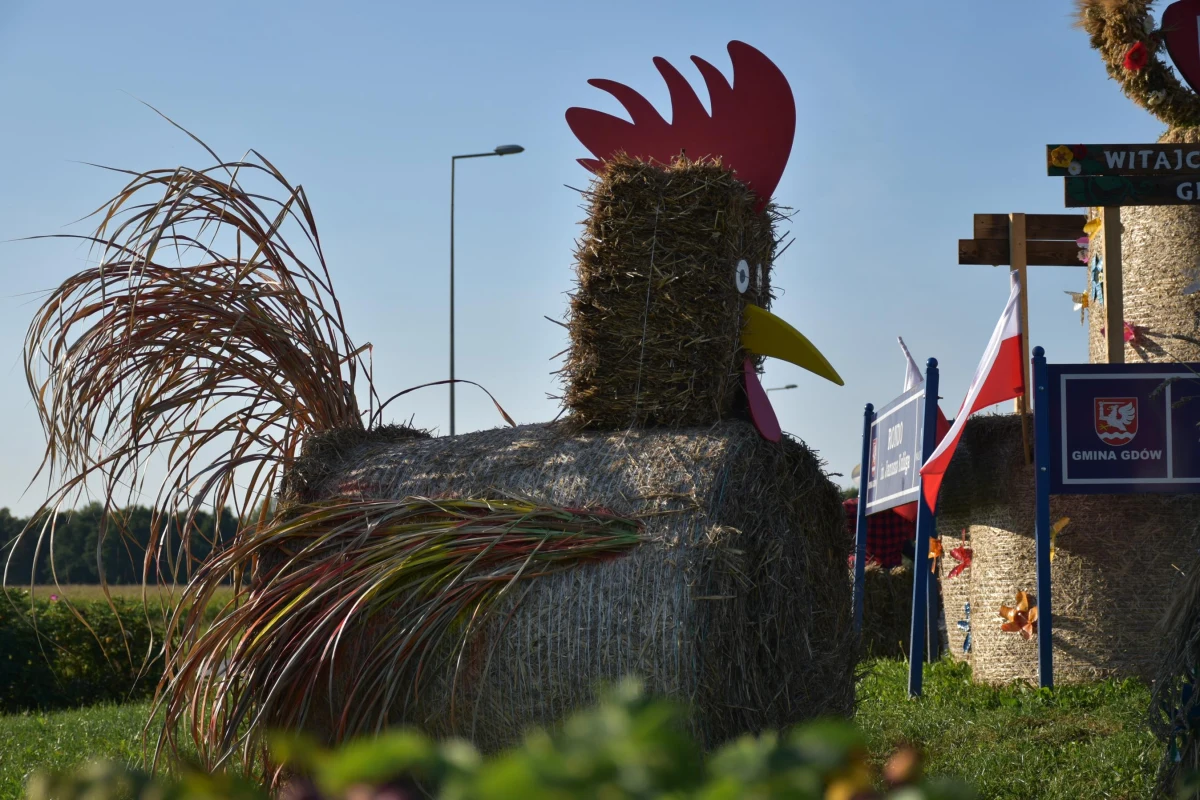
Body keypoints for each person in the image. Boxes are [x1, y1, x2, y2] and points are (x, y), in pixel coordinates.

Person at [842, 496, 915, 569]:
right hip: (863, 568)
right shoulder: (855, 508)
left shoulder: (903, 510)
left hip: (891, 570)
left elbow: (904, 541)